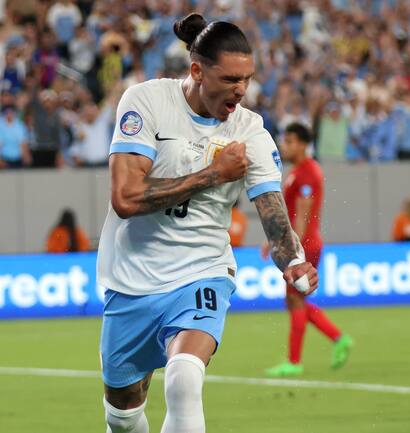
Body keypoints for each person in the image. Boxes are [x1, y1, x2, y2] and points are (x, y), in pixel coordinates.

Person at [96, 14, 318, 433]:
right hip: (131, 279)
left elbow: (273, 214)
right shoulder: (146, 102)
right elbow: (125, 198)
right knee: (123, 416)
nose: (240, 90)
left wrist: (293, 261)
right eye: (230, 78)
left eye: (247, 79)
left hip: (203, 272)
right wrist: (213, 175)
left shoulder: (251, 132)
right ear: (197, 70)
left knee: (183, 379)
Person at [262, 122, 353, 377]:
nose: (284, 146)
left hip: (305, 245)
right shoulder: (298, 171)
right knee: (295, 300)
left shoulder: (308, 173)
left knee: (294, 300)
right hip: (299, 243)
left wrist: (293, 251)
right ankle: (338, 338)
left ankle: (294, 361)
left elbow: (302, 216)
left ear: (302, 144)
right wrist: (274, 240)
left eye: (289, 141)